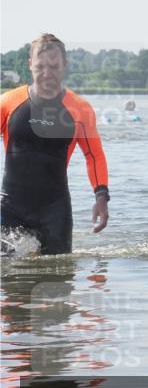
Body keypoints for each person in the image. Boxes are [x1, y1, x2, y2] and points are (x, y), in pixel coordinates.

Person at [1, 33, 109, 254]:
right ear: (30, 64)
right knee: (9, 281)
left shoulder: (80, 108)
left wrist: (101, 197)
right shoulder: (8, 103)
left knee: (58, 279)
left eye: (53, 66)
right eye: (40, 66)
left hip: (54, 211)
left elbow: (94, 155)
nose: (46, 74)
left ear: (65, 65)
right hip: (10, 207)